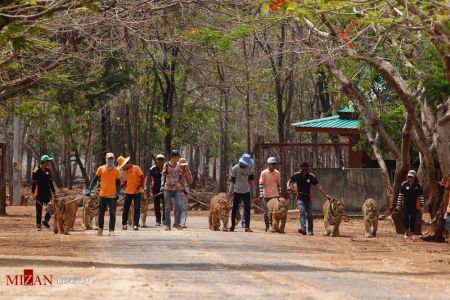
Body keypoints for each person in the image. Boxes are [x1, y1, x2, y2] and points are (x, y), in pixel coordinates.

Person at [288, 162, 329, 236]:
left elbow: (318, 186)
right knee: (302, 212)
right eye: (302, 170)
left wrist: (325, 194)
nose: (304, 172)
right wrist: (288, 186)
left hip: (308, 198)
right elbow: (290, 181)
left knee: (310, 215)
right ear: (300, 169)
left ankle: (310, 230)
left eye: (305, 170)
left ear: (307, 169)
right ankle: (303, 228)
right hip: (300, 197)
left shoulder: (311, 176)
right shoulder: (296, 175)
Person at [85, 153, 121, 236]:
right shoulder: (101, 169)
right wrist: (90, 189)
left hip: (112, 196)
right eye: (109, 158)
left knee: (112, 213)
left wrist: (118, 192)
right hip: (102, 195)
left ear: (113, 159)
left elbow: (118, 183)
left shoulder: (116, 170)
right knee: (101, 213)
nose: (110, 160)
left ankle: (111, 230)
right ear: (106, 159)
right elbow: (95, 179)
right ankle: (100, 229)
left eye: (111, 158)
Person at [229, 153, 255, 232]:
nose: (246, 165)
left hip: (246, 191)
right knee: (234, 208)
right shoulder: (235, 169)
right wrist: (230, 191)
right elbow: (232, 181)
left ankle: (247, 226)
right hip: (237, 191)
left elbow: (251, 180)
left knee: (247, 209)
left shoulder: (248, 169)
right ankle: (232, 226)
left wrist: (253, 190)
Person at [396, 170, 424, 239]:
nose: (410, 178)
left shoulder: (418, 185)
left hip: (415, 206)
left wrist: (422, 206)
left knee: (413, 219)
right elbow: (400, 195)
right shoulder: (404, 184)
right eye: (409, 177)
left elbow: (421, 196)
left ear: (414, 177)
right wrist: (398, 205)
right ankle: (406, 231)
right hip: (406, 205)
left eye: (411, 177)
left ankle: (412, 233)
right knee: (405, 218)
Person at [118, 156, 145, 231]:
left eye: (123, 166)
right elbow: (126, 181)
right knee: (126, 208)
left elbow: (142, 177)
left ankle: (136, 224)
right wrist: (119, 187)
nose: (123, 168)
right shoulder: (126, 171)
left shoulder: (136, 168)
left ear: (126, 164)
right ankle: (124, 224)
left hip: (137, 192)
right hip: (128, 192)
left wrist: (138, 187)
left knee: (137, 208)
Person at [32, 155, 56, 231]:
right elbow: (33, 184)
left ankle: (46, 221)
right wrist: (33, 194)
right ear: (44, 162)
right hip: (39, 193)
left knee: (52, 207)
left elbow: (51, 182)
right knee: (39, 209)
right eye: (48, 161)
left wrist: (54, 192)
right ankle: (38, 225)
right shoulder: (36, 171)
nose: (49, 163)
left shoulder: (48, 170)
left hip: (47, 193)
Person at [161, 149, 183, 230]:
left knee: (180, 205)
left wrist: (181, 185)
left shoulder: (179, 165)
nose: (178, 159)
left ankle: (176, 223)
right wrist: (162, 185)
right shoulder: (166, 165)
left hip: (176, 188)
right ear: (173, 157)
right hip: (167, 188)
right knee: (167, 207)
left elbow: (181, 176)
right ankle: (168, 225)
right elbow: (163, 176)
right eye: (177, 157)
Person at [259, 157, 281, 232]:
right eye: (273, 164)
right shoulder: (264, 173)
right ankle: (267, 226)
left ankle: (274, 226)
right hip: (266, 196)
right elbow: (261, 184)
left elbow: (278, 184)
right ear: (269, 164)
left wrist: (279, 194)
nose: (274, 165)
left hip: (275, 195)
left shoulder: (277, 173)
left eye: (275, 164)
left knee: (275, 212)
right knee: (266, 212)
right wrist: (261, 194)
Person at [146, 154, 165, 226]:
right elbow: (148, 178)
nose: (160, 161)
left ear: (164, 160)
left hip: (165, 189)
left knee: (165, 205)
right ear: (156, 161)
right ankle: (158, 220)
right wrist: (147, 189)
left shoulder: (166, 168)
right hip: (155, 189)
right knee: (156, 205)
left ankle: (164, 219)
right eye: (159, 159)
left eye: (161, 159)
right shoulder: (152, 168)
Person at [178, 157, 193, 228]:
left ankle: (183, 222)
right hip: (177, 191)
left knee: (184, 207)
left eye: (184, 165)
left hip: (185, 192)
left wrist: (188, 174)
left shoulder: (187, 171)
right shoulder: (176, 170)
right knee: (177, 207)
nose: (183, 166)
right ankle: (177, 222)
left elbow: (190, 181)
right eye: (182, 165)